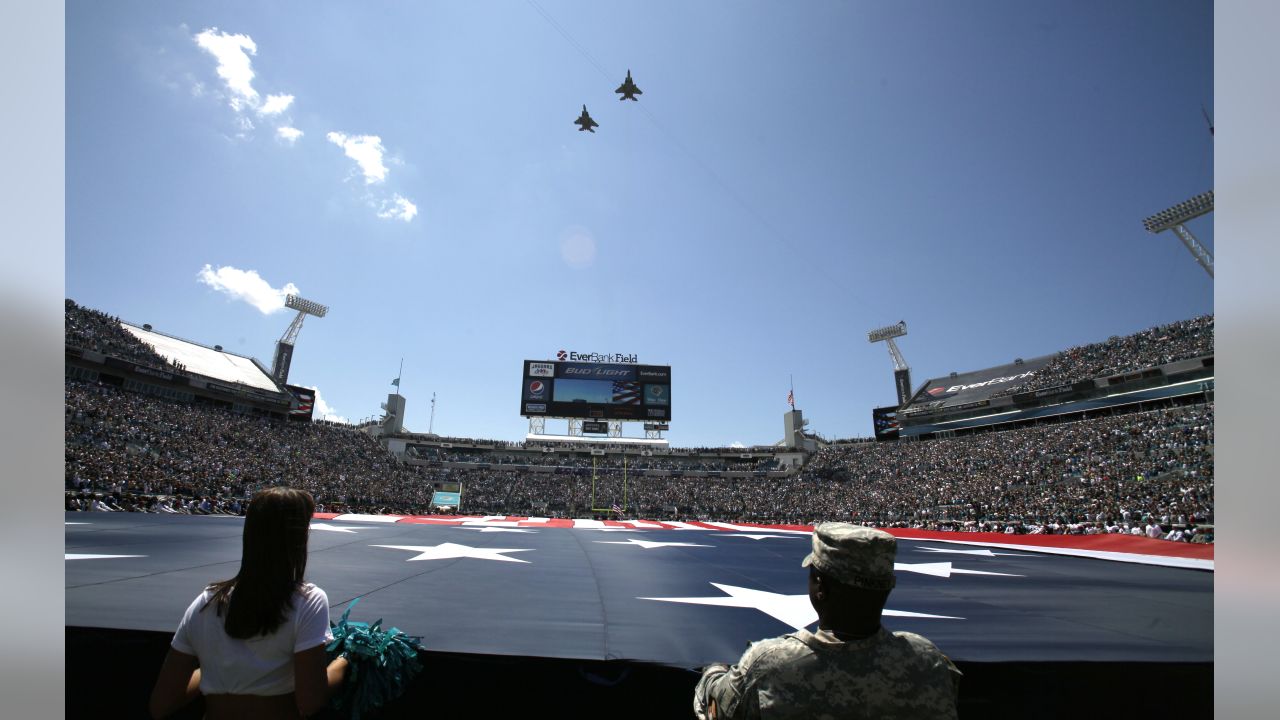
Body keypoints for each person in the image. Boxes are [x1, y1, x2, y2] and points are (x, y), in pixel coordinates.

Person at [693, 523, 962, 719]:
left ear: (820, 588)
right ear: (887, 588)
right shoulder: (929, 661)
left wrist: (713, 671)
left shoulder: (770, 664)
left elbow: (719, 708)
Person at [148, 487, 349, 719]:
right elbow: (310, 701)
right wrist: (344, 663)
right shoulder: (308, 601)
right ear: (298, 538)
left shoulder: (207, 601)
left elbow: (161, 704)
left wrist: (220, 666)